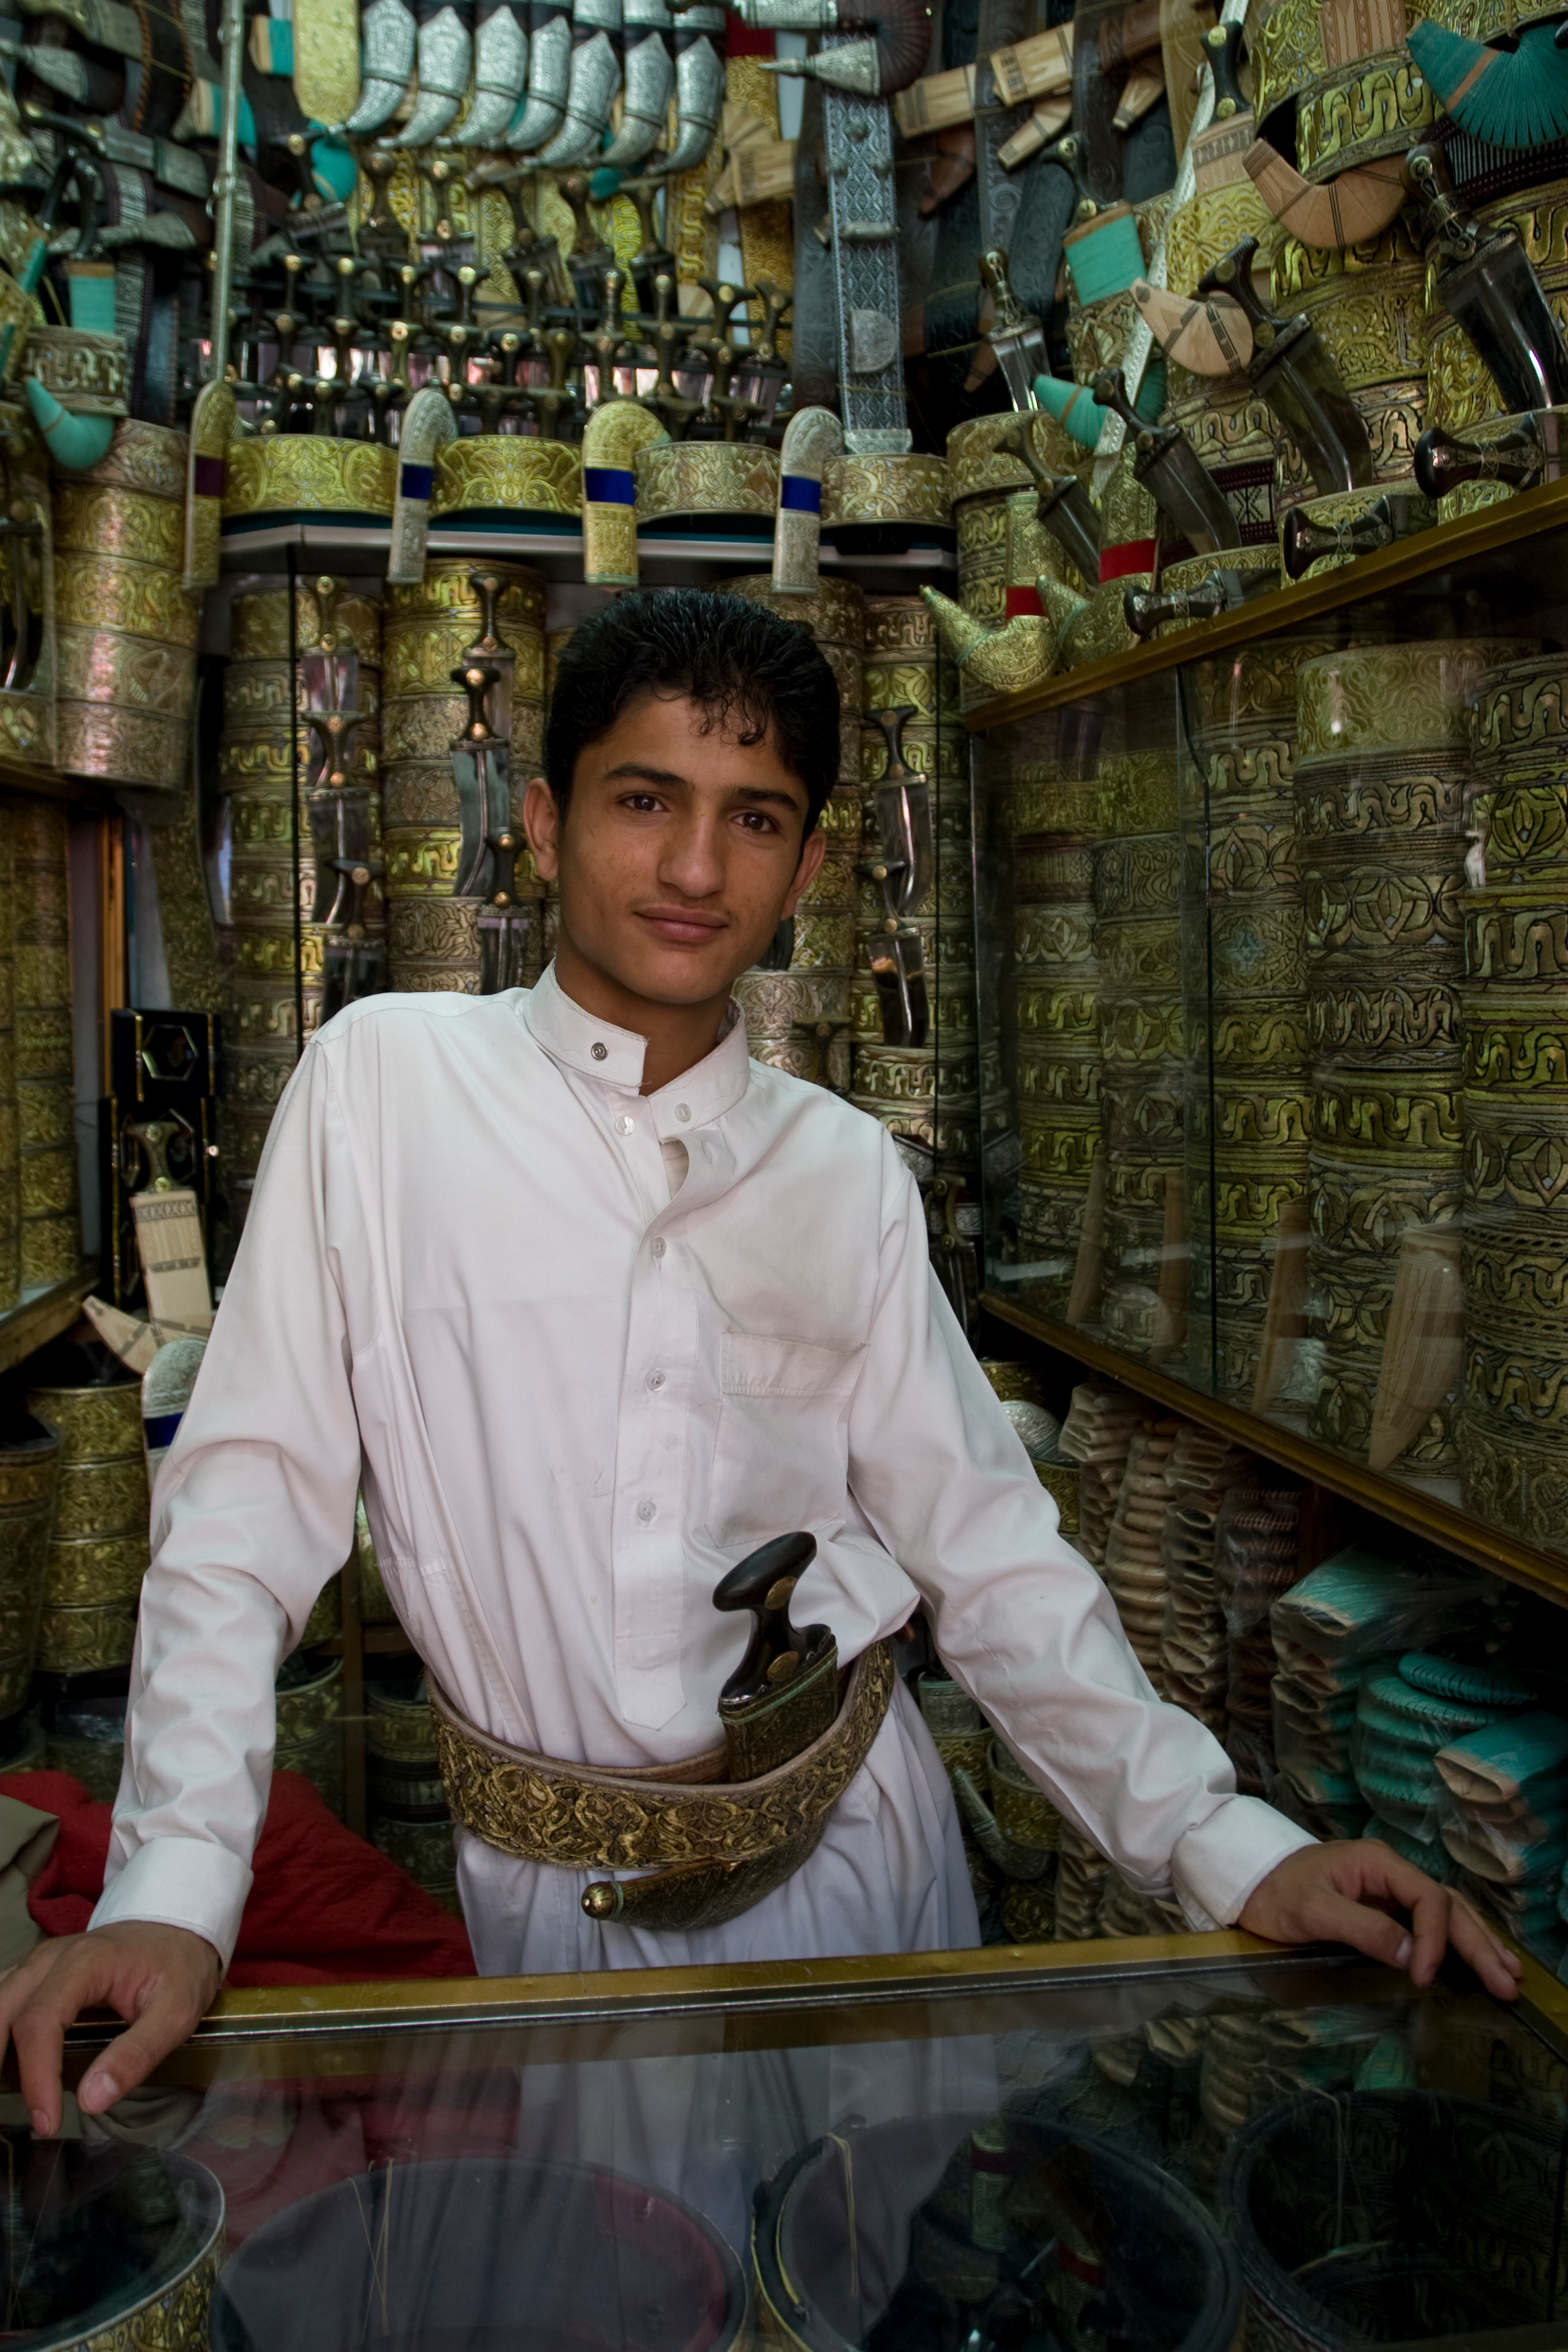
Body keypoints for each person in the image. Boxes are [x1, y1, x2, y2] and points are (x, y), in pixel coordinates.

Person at [0, 589, 1518, 2137]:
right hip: (557, 1915)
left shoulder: (844, 1172)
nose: (691, 868)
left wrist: (1224, 1843)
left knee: (855, 2278)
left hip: (861, 1878)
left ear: (806, 866)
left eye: (754, 819)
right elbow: (244, 1515)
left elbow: (985, 1547)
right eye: (643, 800)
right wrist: (174, 1892)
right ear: (542, 819)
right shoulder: (382, 1096)